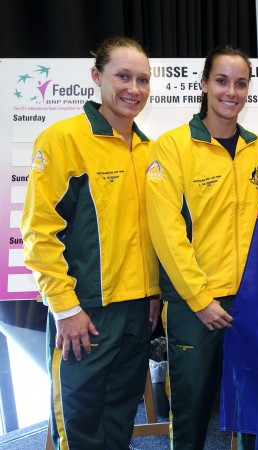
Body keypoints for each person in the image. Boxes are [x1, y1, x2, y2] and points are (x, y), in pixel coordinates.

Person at [20, 36, 161, 449]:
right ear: (97, 76)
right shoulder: (63, 140)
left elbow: (151, 233)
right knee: (80, 425)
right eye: (123, 76)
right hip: (85, 313)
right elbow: (39, 232)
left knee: (120, 417)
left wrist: (153, 293)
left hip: (137, 313)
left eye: (142, 79)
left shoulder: (149, 150)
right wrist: (65, 308)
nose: (133, 89)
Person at [145, 45, 258, 450]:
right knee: (191, 409)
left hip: (250, 303)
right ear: (203, 84)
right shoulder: (172, 147)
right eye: (221, 81)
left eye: (240, 83)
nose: (231, 92)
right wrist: (200, 299)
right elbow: (167, 233)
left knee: (252, 408)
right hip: (193, 305)